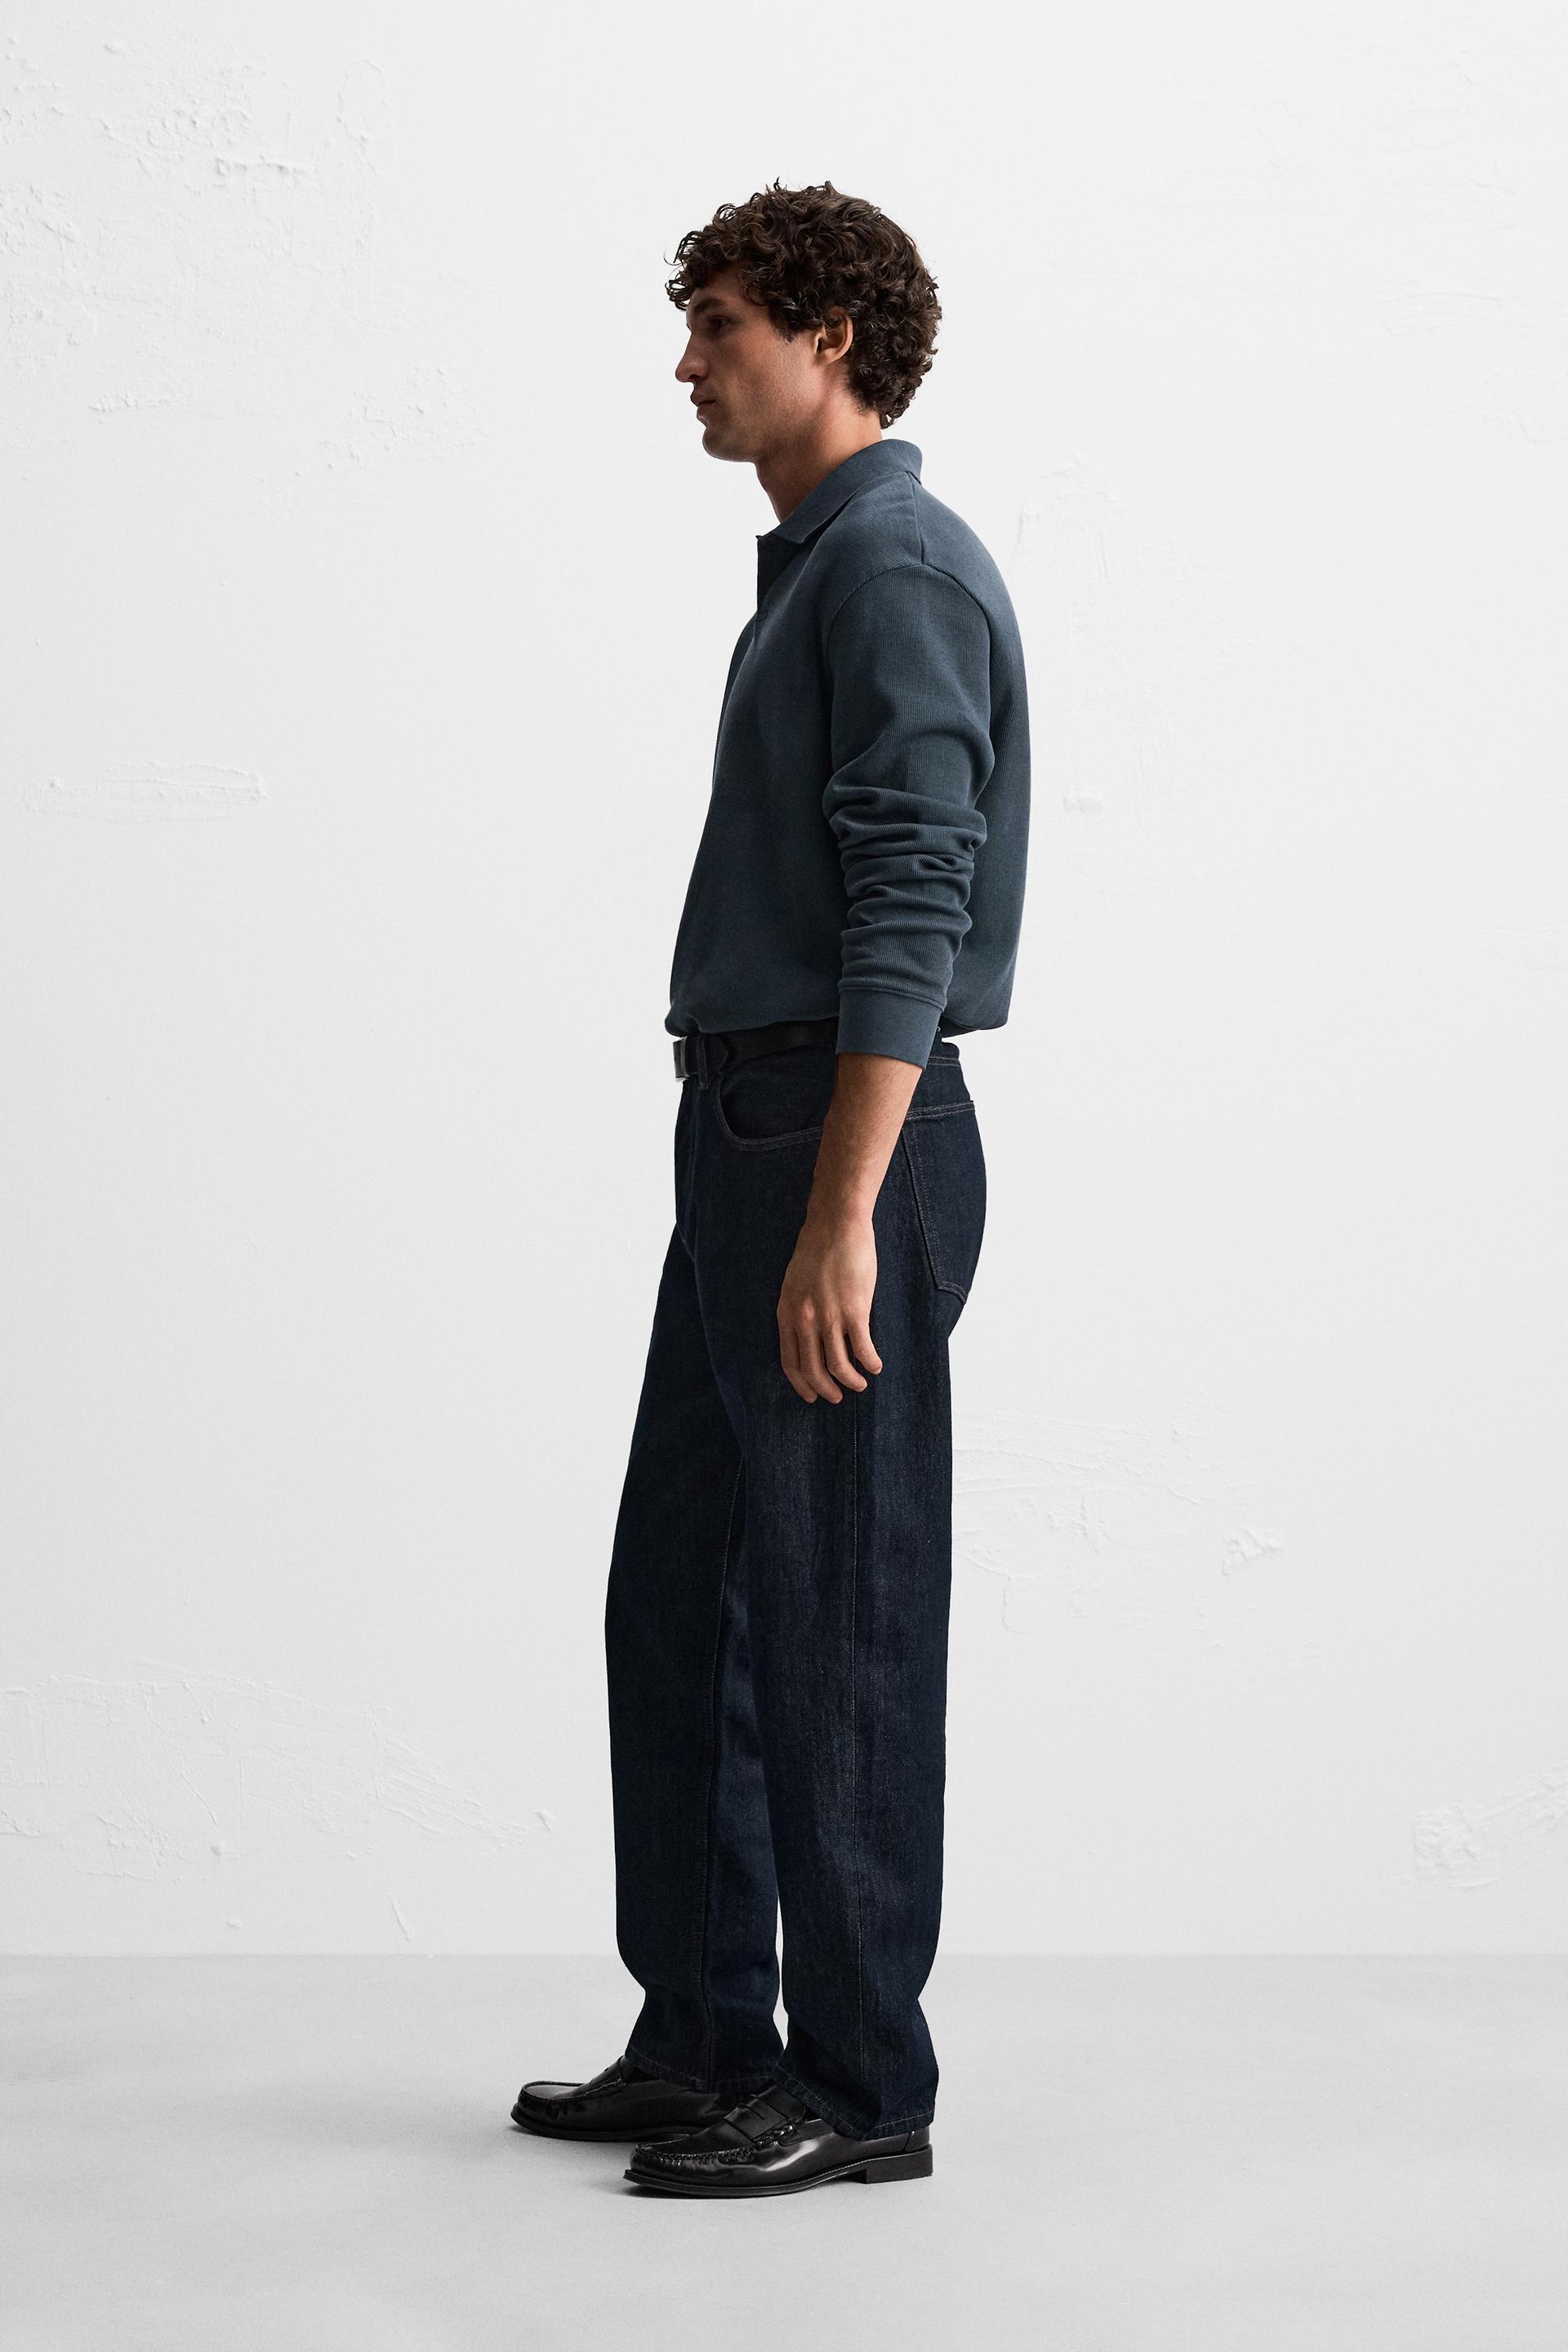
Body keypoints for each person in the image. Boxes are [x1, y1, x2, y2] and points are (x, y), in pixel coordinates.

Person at [511, 180, 1031, 2198]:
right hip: (752, 1131)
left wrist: (842, 1213)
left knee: (842, 1619)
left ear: (828, 337)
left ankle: (863, 2084)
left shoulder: (892, 567)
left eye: (719, 324)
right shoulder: (823, 569)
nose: (687, 362)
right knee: (688, 1596)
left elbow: (916, 896)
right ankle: (712, 2037)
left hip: (835, 1140)